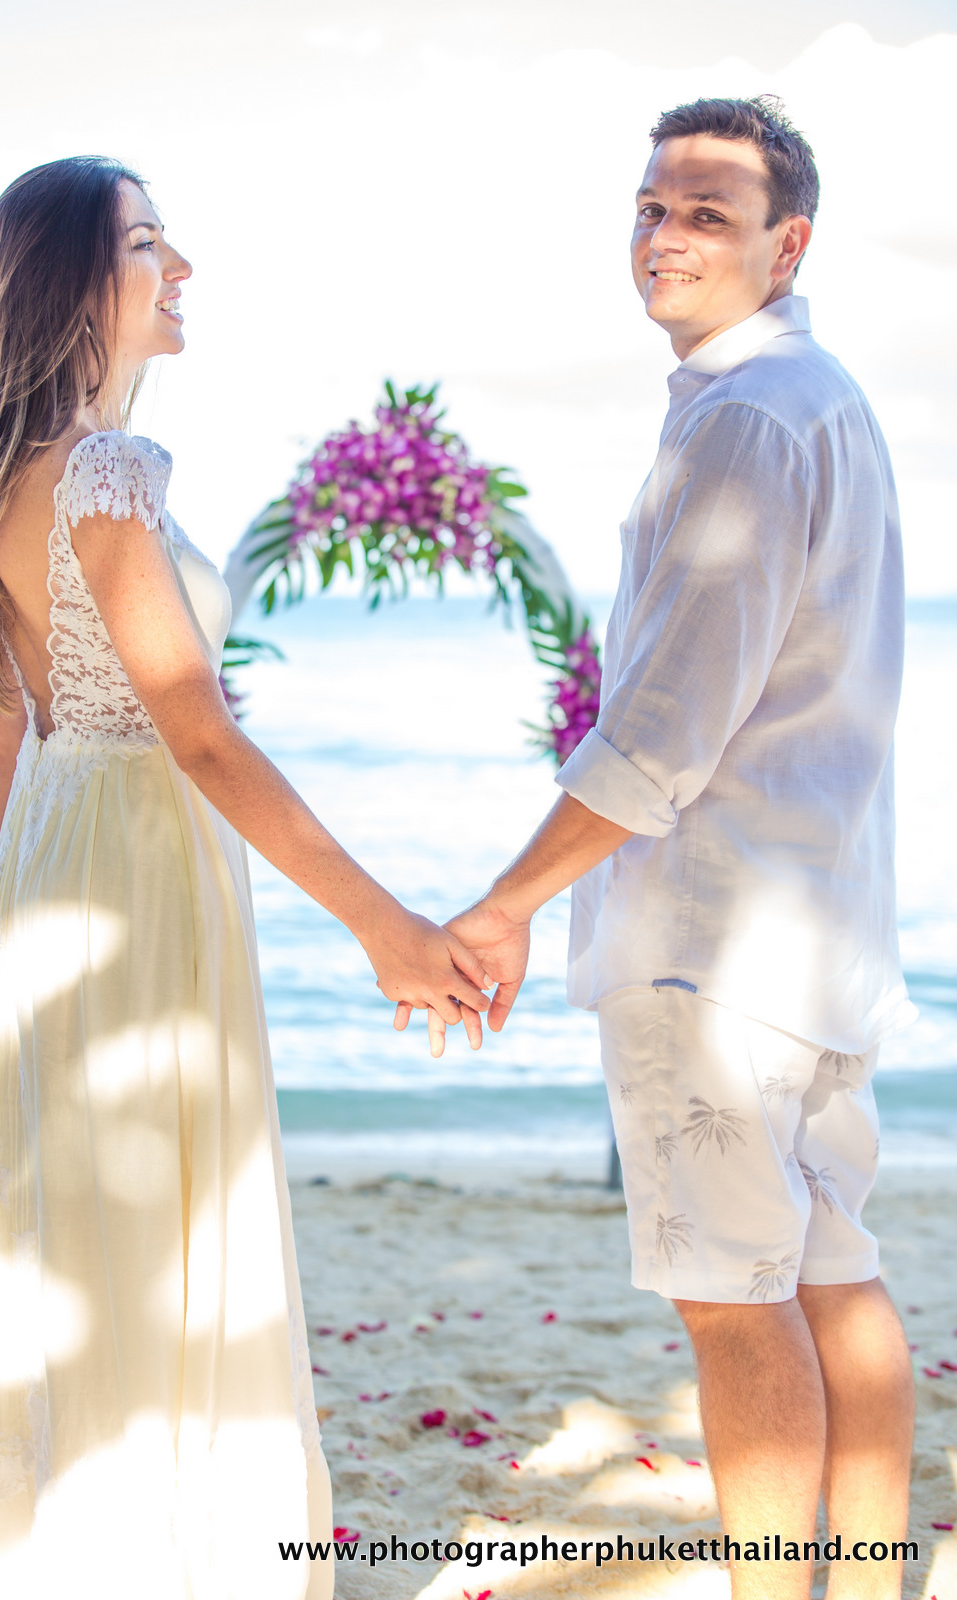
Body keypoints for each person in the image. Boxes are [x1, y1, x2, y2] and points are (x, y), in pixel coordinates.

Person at [0, 156, 490, 1600]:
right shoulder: (110, 472)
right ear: (70, 281)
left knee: (91, 1235)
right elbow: (197, 730)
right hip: (136, 869)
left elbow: (9, 735)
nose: (180, 268)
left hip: (59, 866)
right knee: (168, 1229)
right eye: (146, 243)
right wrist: (387, 925)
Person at [407, 98, 915, 1599]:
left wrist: (500, 911)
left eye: (705, 210)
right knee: (833, 1276)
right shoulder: (809, 396)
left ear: (788, 242)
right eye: (649, 206)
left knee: (733, 1307)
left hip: (716, 943)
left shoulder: (751, 418)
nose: (664, 235)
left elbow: (661, 737)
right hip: (813, 929)